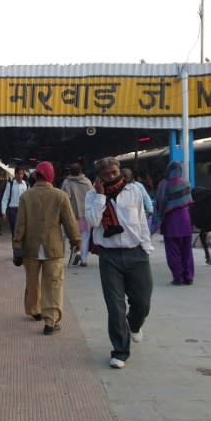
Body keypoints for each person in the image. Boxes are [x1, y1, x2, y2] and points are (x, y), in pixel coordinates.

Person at [85, 157, 153, 369]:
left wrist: (146, 248)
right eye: (106, 175)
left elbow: (141, 220)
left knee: (142, 302)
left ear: (120, 171)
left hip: (136, 254)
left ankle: (134, 324)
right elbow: (93, 221)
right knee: (115, 307)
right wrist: (100, 196)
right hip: (109, 257)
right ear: (99, 177)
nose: (111, 177)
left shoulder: (134, 191)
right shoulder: (92, 195)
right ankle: (120, 351)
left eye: (114, 173)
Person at [12, 162, 80, 335]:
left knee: (32, 281)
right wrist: (76, 241)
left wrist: (17, 247)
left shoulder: (26, 197)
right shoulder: (60, 196)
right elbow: (70, 223)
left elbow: (20, 225)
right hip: (53, 249)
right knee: (53, 284)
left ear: (35, 177)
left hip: (30, 249)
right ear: (51, 176)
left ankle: (35, 311)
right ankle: (50, 322)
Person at [154, 161, 195, 286]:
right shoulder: (186, 183)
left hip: (171, 221)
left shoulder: (163, 184)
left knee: (173, 252)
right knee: (187, 251)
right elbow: (188, 201)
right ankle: (188, 277)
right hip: (185, 219)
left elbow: (160, 204)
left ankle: (178, 278)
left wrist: (158, 219)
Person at [60, 163, 93, 266]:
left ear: (70, 172)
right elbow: (92, 196)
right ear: (81, 171)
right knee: (85, 237)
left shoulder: (67, 182)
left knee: (73, 236)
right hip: (85, 214)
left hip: (72, 215)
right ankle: (84, 259)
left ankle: (77, 252)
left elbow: (64, 198)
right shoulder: (87, 182)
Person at [1, 167, 29, 236]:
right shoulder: (10, 185)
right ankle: (15, 245)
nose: (20, 176)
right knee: (14, 230)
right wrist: (3, 212)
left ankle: (21, 245)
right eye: (18, 174)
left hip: (22, 210)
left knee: (23, 230)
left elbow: (29, 199)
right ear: (15, 174)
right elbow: (5, 198)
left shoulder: (26, 185)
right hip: (12, 211)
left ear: (23, 174)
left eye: (21, 174)